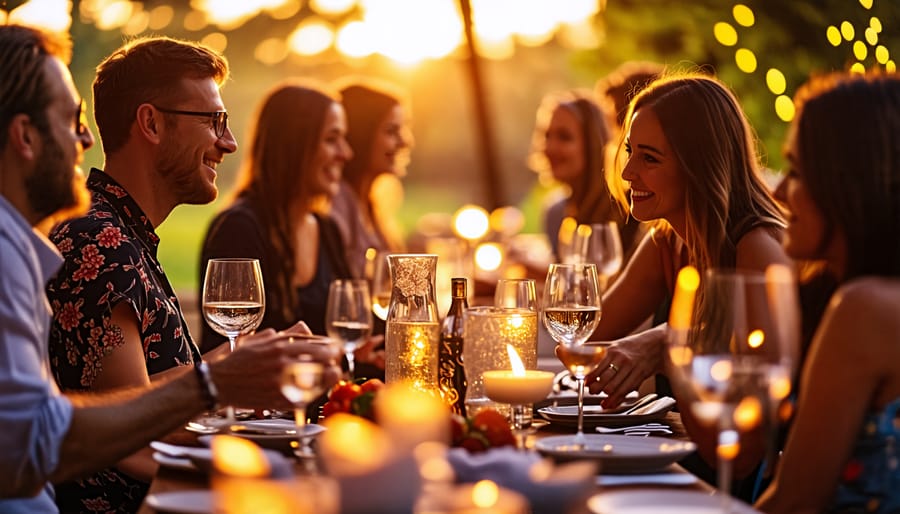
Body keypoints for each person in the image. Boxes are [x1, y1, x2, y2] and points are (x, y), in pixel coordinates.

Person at [0, 25, 339, 514]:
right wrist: (222, 386)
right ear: (152, 124)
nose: (230, 143)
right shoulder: (100, 241)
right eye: (214, 121)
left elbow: (134, 400)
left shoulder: (124, 235)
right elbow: (126, 438)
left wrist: (247, 376)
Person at [584, 73, 792, 481]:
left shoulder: (758, 249)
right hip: (689, 465)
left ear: (699, 164)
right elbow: (590, 336)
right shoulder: (668, 240)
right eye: (629, 151)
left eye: (649, 158)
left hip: (750, 484)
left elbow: (742, 451)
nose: (627, 173)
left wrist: (669, 344)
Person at [754, 72, 900, 513]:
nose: (779, 192)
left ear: (848, 180)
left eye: (797, 171)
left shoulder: (865, 309)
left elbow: (796, 500)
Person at [527, 89, 644, 262]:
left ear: (593, 144)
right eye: (547, 135)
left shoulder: (629, 208)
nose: (549, 147)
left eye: (564, 137)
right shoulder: (556, 211)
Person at [330, 77, 411, 279]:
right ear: (361, 134)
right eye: (392, 131)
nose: (405, 141)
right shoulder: (336, 203)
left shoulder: (371, 204)